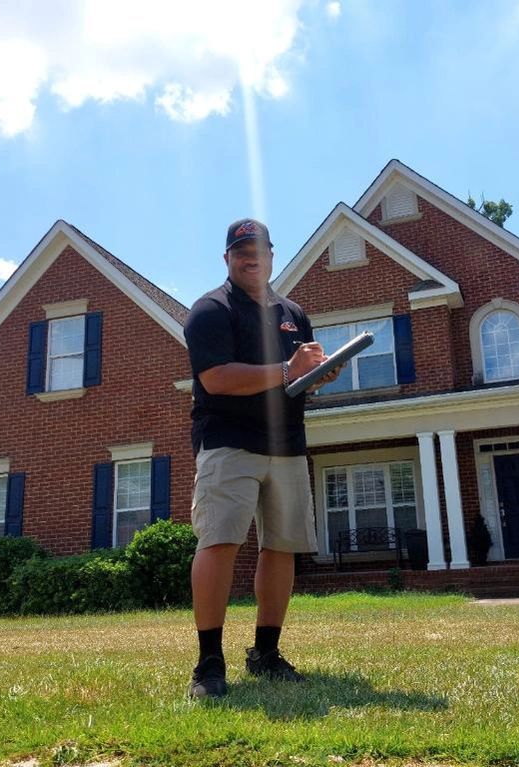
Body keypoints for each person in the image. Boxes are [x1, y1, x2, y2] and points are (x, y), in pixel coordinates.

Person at [182, 217, 344, 699]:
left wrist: (317, 374)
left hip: (287, 443)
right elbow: (216, 379)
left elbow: (296, 378)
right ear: (227, 259)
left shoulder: (293, 312)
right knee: (219, 542)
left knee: (283, 546)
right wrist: (285, 368)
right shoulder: (209, 310)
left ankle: (265, 653)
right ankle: (209, 663)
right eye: (240, 251)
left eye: (259, 250)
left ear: (272, 254)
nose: (251, 258)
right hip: (229, 441)